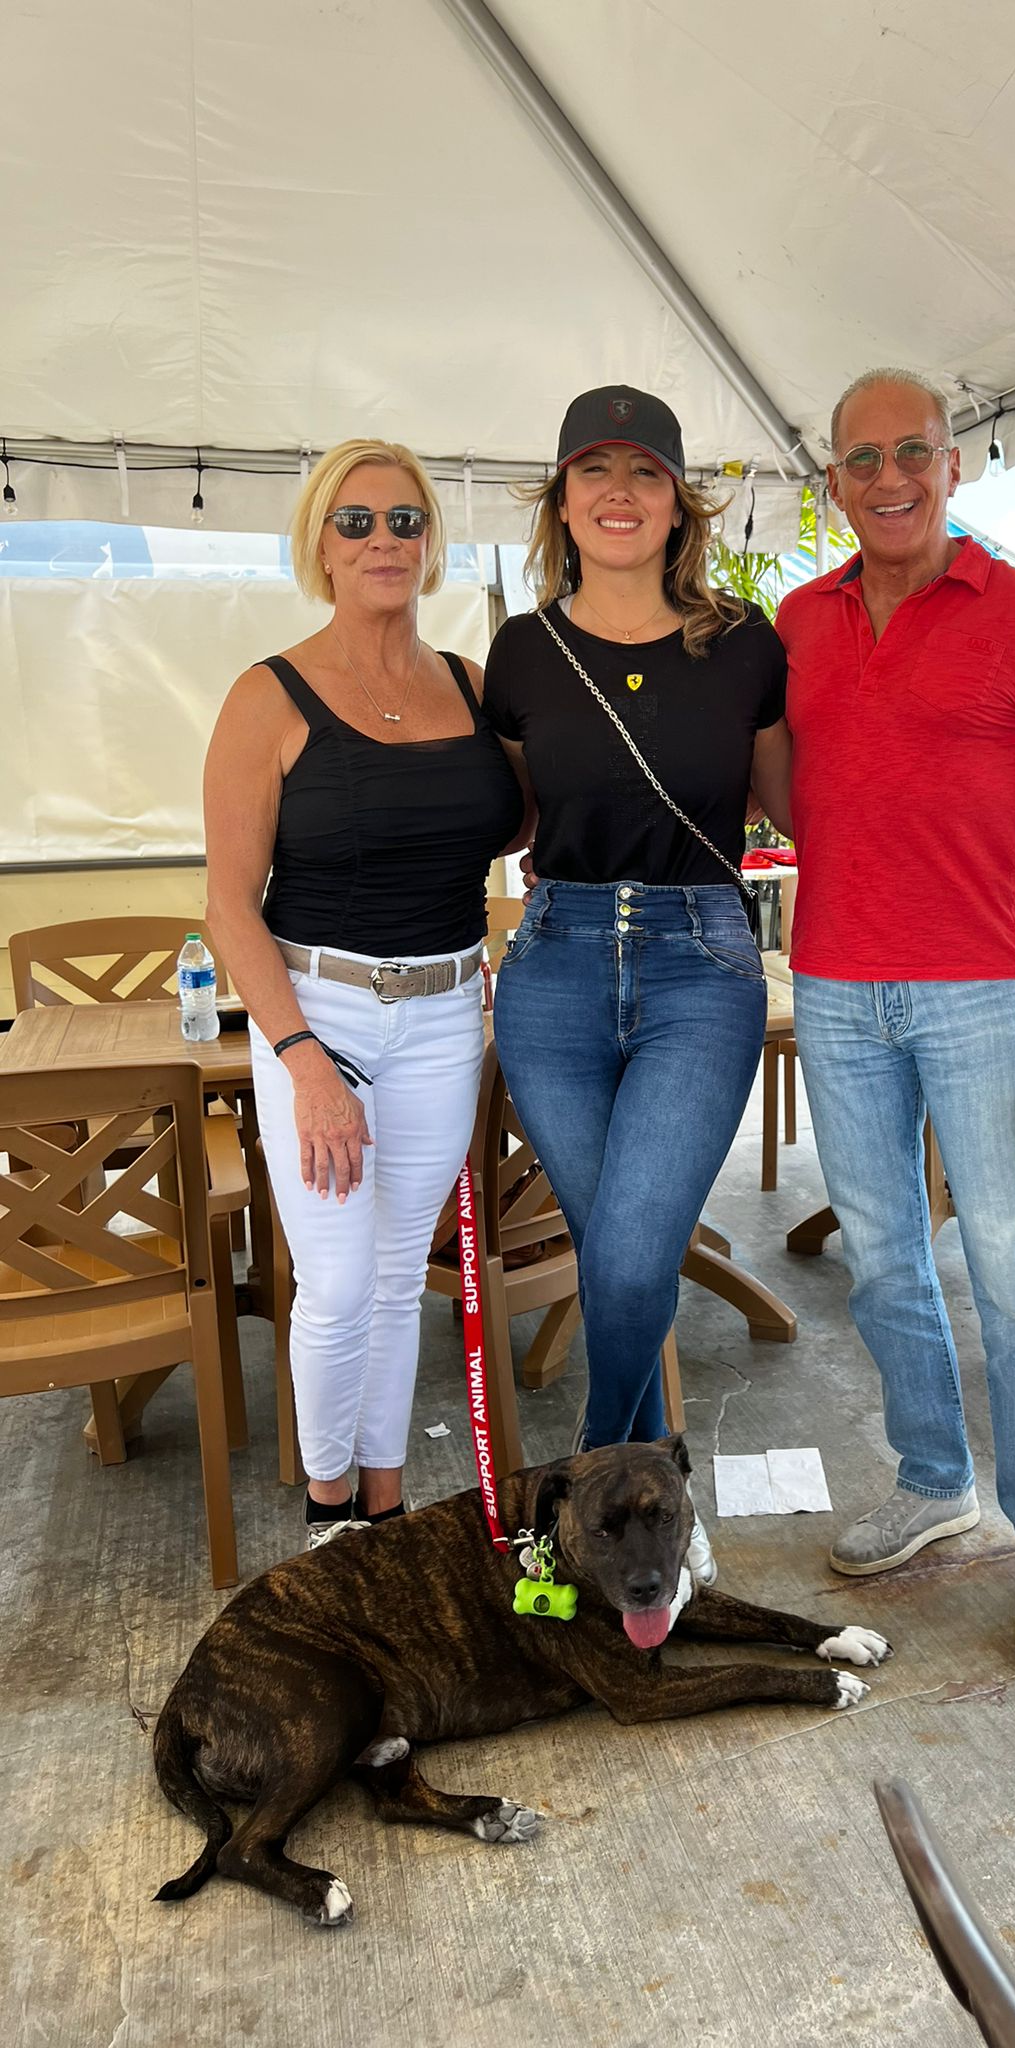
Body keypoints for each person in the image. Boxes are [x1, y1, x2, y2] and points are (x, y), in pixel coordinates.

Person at [776, 368, 1015, 1667]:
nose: (890, 478)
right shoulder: (799, 622)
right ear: (834, 479)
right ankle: (936, 1480)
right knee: (881, 1264)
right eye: (863, 458)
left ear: (954, 461)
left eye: (913, 452)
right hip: (833, 988)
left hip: (980, 996)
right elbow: (783, 791)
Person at [483, 386, 790, 1584]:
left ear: (678, 502)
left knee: (622, 1265)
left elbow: (797, 803)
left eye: (645, 470)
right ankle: (648, 1515)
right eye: (594, 470)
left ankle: (574, 1507)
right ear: (561, 500)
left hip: (698, 961)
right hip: (554, 965)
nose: (619, 491)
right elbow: (510, 815)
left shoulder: (745, 643)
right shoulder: (521, 649)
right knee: (623, 1253)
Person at [205, 439, 526, 1547]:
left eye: (404, 520)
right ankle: (326, 1511)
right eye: (356, 522)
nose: (383, 540)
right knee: (337, 1283)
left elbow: (523, 822)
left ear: (431, 541)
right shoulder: (268, 695)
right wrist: (302, 1062)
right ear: (321, 545)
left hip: (444, 1015)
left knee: (396, 1279)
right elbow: (229, 906)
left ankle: (384, 1507)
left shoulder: (473, 686)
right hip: (319, 1016)